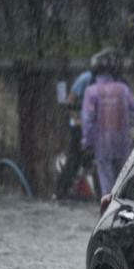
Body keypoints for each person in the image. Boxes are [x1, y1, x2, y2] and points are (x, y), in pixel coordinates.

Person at [80, 48, 134, 196]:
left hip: (101, 146)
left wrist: (87, 143)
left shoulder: (91, 92)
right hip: (122, 144)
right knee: (123, 183)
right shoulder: (123, 89)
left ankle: (109, 214)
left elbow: (88, 120)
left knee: (107, 186)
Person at [52, 62, 94, 199]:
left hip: (94, 127)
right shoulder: (85, 79)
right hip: (79, 125)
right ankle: (60, 191)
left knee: (91, 159)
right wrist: (77, 119)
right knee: (74, 159)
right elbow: (70, 100)